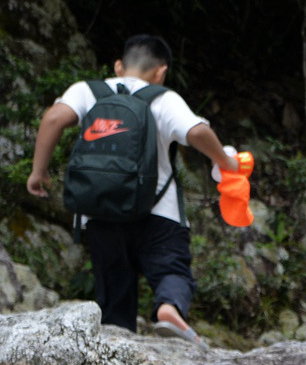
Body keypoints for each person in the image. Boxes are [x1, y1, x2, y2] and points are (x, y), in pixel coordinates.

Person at [26, 34, 237, 341]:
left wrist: (38, 171)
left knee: (114, 294)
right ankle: (168, 307)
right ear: (161, 72)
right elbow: (196, 131)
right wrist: (225, 162)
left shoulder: (87, 91)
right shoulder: (164, 98)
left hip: (100, 211)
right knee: (172, 272)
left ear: (118, 66)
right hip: (158, 213)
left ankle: (118, 345)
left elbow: (53, 119)